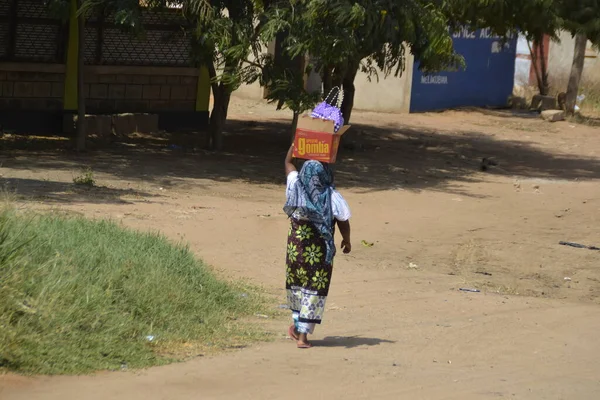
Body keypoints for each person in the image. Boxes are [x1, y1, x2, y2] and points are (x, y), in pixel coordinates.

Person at [283, 144, 352, 349]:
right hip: (319, 255)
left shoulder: (295, 185)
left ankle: (297, 328)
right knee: (314, 290)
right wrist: (346, 240)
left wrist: (297, 145)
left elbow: (288, 163)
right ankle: (303, 337)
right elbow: (343, 221)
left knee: (298, 288)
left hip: (296, 252)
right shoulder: (331, 195)